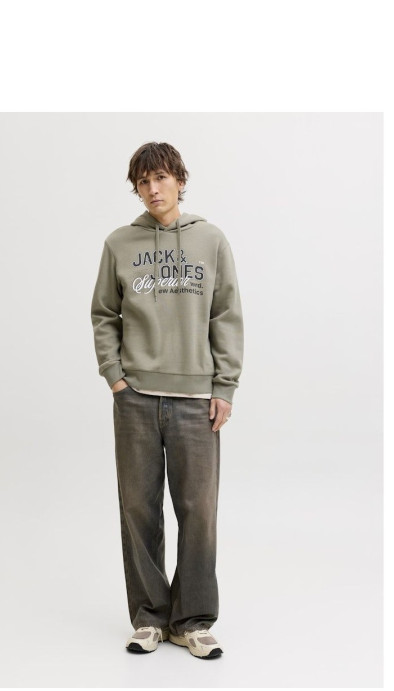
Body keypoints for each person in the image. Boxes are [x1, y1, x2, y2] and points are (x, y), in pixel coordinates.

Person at [90, 142, 244, 659]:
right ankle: (150, 618)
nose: (153, 189)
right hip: (135, 397)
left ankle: (192, 620)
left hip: (196, 399)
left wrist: (224, 386)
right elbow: (104, 313)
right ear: (136, 189)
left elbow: (226, 314)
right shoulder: (119, 243)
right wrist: (115, 377)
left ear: (180, 179)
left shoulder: (210, 240)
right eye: (143, 182)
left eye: (160, 178)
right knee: (139, 509)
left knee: (198, 511)